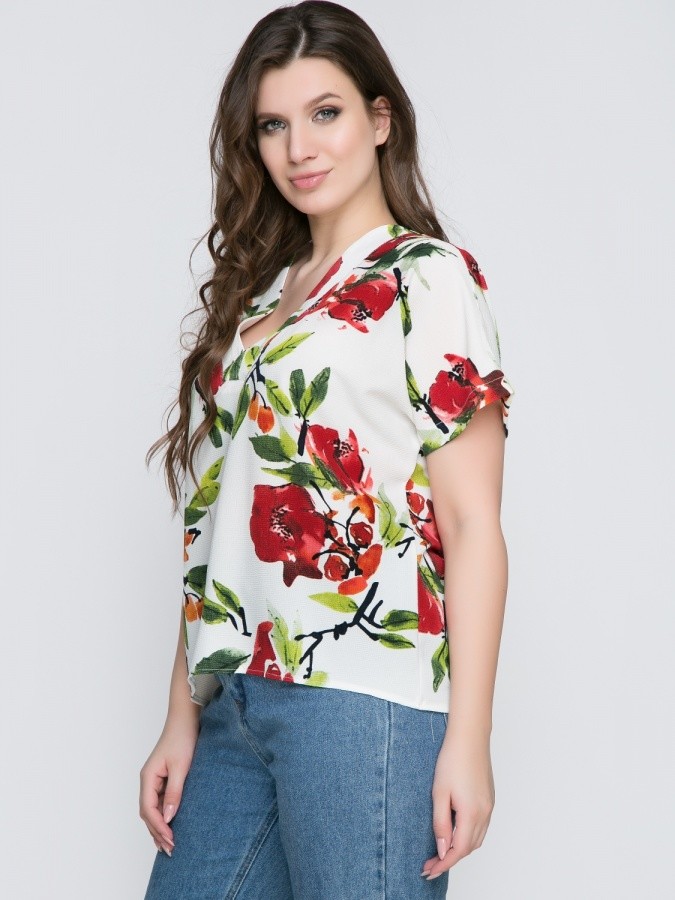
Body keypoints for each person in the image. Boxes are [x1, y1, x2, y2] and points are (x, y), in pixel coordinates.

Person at [139, 2, 515, 897]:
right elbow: (218, 527)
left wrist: (469, 739)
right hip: (236, 696)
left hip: (365, 702)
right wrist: (180, 716)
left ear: (379, 121)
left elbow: (471, 523)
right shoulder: (258, 296)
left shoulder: (427, 278)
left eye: (325, 113)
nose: (299, 148)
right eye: (273, 124)